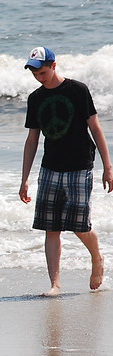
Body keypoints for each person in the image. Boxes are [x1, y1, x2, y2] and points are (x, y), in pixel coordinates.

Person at [20, 46, 112, 296]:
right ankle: (55, 284)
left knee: (79, 225)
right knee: (51, 228)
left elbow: (95, 126)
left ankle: (97, 257)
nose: (38, 76)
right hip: (50, 167)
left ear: (53, 65)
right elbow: (32, 140)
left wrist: (108, 166)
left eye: (42, 71)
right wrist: (24, 179)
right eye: (34, 72)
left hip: (80, 164)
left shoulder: (77, 90)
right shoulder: (35, 98)